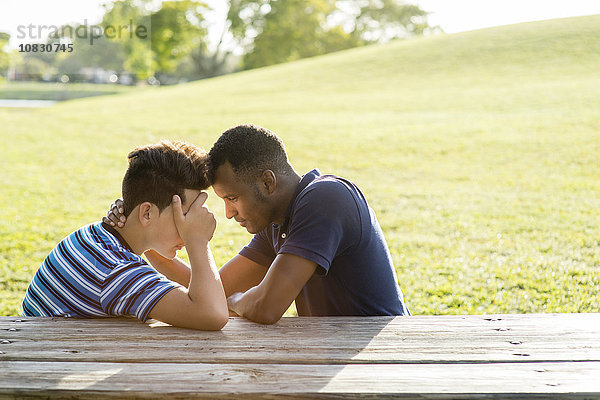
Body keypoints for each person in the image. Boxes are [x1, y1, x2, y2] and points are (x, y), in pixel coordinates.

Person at [105, 125, 409, 324]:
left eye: (232, 198)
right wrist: (145, 240)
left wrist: (236, 301)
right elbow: (215, 290)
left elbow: (265, 307)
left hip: (386, 357)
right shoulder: (276, 223)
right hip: (334, 354)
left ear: (267, 182)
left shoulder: (326, 198)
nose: (227, 213)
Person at [23, 141, 229, 331]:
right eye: (183, 216)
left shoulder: (97, 236)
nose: (188, 226)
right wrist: (198, 241)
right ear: (146, 213)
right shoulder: (116, 272)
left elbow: (200, 297)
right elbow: (213, 314)